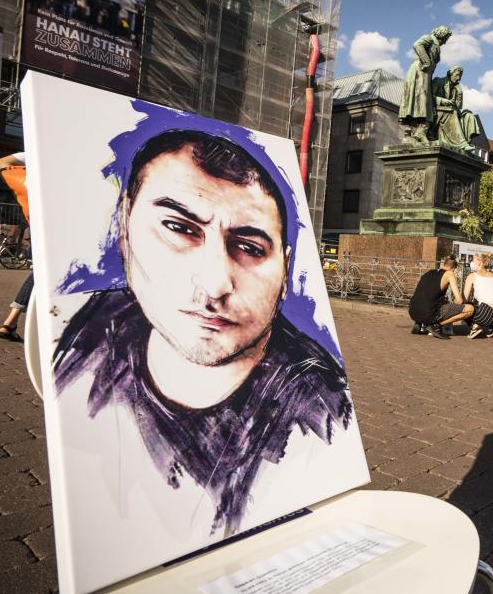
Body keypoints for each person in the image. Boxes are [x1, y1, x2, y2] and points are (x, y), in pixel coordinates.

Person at [52, 129, 353, 536]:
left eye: (249, 248)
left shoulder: (321, 413)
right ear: (124, 230)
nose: (215, 285)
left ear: (284, 272)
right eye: (179, 227)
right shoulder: (82, 332)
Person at [0, 152, 32, 342]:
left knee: (42, 275)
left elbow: (1, 164)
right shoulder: (39, 151)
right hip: (56, 229)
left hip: (42, 227)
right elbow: (1, 163)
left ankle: (10, 322)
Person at [399, 26, 452, 143]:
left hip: (425, 74)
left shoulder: (436, 44)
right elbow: (417, 44)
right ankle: (419, 132)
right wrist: (426, 61)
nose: (446, 40)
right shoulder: (429, 38)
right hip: (420, 71)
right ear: (441, 34)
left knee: (422, 102)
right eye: (446, 37)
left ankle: (418, 132)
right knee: (422, 101)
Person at [408, 257, 474, 339]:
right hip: (429, 314)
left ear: (444, 264)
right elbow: (459, 300)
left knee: (438, 304)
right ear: (453, 269)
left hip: (413, 311)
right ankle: (434, 325)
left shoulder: (429, 272)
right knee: (470, 309)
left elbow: (425, 295)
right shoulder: (449, 274)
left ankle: (421, 323)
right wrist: (453, 306)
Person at [463, 253, 493, 338]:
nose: (471, 263)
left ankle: (474, 327)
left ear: (480, 262)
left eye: (473, 260)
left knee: (464, 306)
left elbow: (464, 298)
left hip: (485, 315)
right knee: (489, 303)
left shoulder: (472, 276)